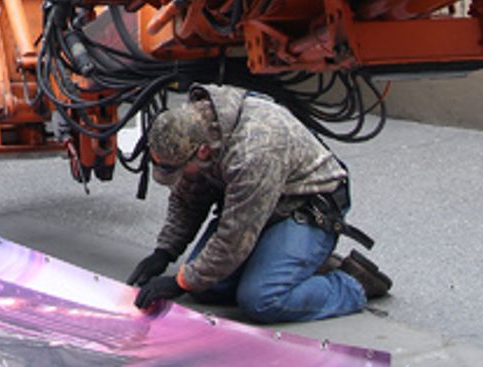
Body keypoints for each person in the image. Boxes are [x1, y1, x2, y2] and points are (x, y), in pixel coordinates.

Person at [128, 85, 392, 324]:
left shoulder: (254, 152)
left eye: (183, 170)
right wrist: (164, 252)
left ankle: (350, 284)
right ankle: (291, 262)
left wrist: (180, 281)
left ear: (203, 152)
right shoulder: (194, 127)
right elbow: (188, 199)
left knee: (262, 300)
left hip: (306, 208)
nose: (181, 178)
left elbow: (235, 237)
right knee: (206, 286)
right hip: (259, 204)